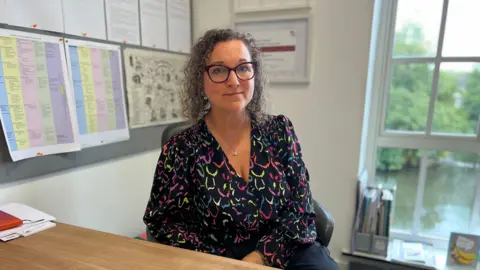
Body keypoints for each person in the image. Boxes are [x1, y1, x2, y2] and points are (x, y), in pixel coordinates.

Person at [143, 29, 338, 270]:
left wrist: (259, 258)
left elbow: (300, 208)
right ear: (200, 80)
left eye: (243, 68)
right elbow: (163, 222)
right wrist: (215, 260)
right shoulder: (181, 148)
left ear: (254, 74)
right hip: (216, 258)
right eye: (218, 70)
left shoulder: (280, 131)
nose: (233, 80)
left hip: (286, 249)